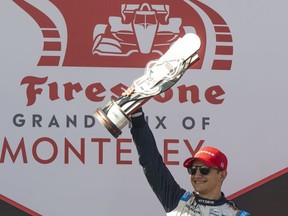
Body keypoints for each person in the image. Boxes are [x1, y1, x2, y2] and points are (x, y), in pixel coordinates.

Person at [122, 88, 251, 216]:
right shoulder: (177, 200)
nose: (197, 175)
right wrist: (137, 115)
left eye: (204, 170)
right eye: (192, 169)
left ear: (221, 175)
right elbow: (151, 161)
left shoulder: (236, 214)